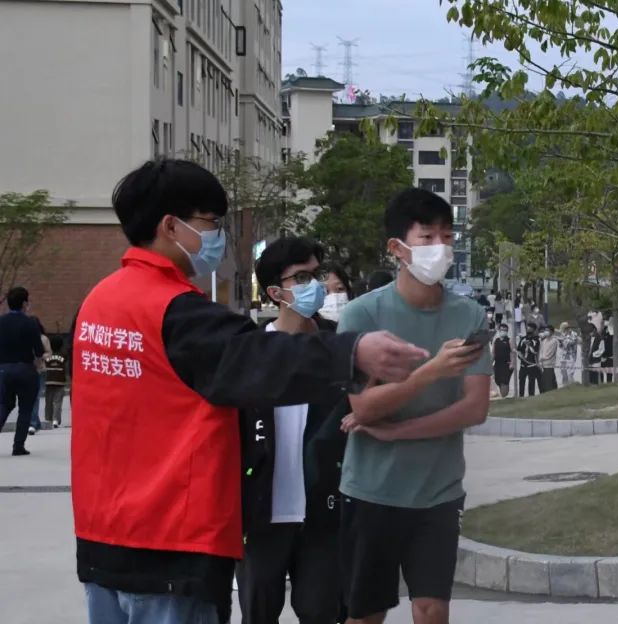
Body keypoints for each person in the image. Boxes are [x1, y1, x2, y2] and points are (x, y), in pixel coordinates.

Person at [70, 160, 427, 624]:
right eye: (210, 223)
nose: (217, 236)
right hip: (170, 550)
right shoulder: (174, 311)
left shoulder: (97, 304)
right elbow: (256, 357)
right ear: (170, 226)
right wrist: (353, 352)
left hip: (102, 544)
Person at [335, 187, 491, 624]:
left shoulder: (469, 316)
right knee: (366, 613)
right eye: (427, 237)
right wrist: (430, 372)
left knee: (431, 608)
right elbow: (363, 408)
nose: (440, 247)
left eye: (447, 236)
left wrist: (397, 431)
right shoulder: (361, 316)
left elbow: (474, 408)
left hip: (439, 491)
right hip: (371, 491)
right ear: (397, 248)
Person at [235, 237, 350, 624]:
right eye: (301, 278)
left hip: (322, 512)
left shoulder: (337, 346)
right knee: (259, 613)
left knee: (321, 611)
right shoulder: (251, 351)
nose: (314, 285)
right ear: (274, 292)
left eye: (317, 274)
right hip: (263, 513)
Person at [0, 286, 46, 455]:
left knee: (4, 404)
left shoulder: (1, 322)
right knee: (25, 408)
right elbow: (39, 351)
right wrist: (38, 364)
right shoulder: (30, 323)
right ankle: (18, 445)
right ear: (24, 303)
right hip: (25, 369)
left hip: (4, 370)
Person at [43, 334, 67, 428]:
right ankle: (56, 420)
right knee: (57, 402)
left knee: (48, 401)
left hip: (49, 380)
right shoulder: (63, 356)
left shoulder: (48, 356)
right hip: (60, 381)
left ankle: (48, 418)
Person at [516, 323, 541, 397]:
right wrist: (520, 356)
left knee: (531, 382)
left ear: (534, 329)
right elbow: (519, 350)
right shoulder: (523, 339)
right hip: (523, 365)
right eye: (527, 327)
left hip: (532, 365)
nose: (528, 329)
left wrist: (529, 345)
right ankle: (521, 396)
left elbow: (535, 351)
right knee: (521, 381)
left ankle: (531, 397)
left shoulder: (536, 340)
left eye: (530, 328)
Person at [492, 323, 513, 397]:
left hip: (506, 364)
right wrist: (490, 363)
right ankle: (503, 393)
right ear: (499, 330)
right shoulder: (496, 340)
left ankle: (504, 395)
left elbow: (512, 352)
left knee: (504, 382)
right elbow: (493, 353)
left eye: (505, 330)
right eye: (502, 330)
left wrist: (512, 363)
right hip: (497, 364)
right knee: (498, 381)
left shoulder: (509, 340)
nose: (503, 331)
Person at [557, 322, 580, 386]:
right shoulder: (563, 334)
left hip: (571, 356)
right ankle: (565, 386)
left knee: (570, 373)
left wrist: (563, 339)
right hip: (563, 356)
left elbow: (571, 343)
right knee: (563, 372)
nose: (563, 331)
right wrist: (560, 342)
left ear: (566, 328)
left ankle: (572, 385)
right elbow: (561, 346)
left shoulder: (574, 334)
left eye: (563, 329)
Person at [538, 325, 559, 393]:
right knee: (545, 382)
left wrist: (542, 358)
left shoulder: (554, 341)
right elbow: (541, 351)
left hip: (549, 364)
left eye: (547, 330)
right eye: (545, 330)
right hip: (543, 365)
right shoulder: (544, 341)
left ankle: (551, 393)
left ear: (552, 332)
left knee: (549, 383)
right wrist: (540, 360)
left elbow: (550, 354)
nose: (546, 332)